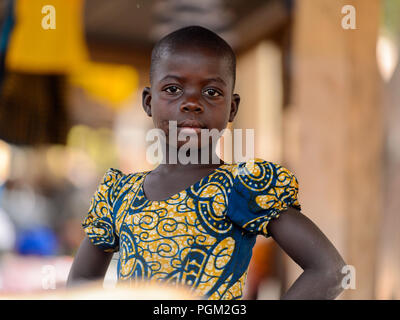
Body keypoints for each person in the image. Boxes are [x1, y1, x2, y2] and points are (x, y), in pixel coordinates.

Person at [67, 25, 346, 300]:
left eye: (211, 92)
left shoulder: (242, 188)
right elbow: (81, 282)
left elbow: (330, 271)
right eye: (173, 89)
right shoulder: (119, 195)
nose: (191, 103)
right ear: (149, 102)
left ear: (232, 108)